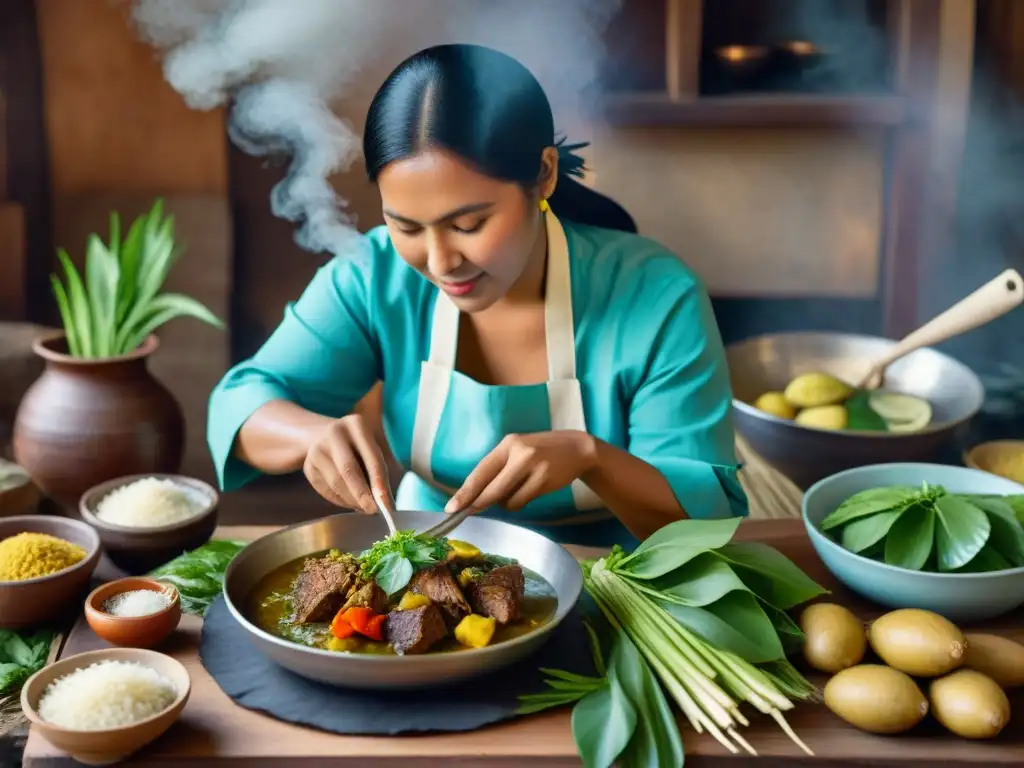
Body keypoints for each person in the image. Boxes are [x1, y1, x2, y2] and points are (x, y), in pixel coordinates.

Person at [207, 43, 748, 548]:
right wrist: (311, 436)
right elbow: (240, 403)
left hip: (620, 570)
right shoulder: (374, 275)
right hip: (437, 556)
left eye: (468, 224)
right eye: (407, 227)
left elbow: (707, 515)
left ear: (543, 175)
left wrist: (592, 459)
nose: (440, 263)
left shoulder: (657, 296)